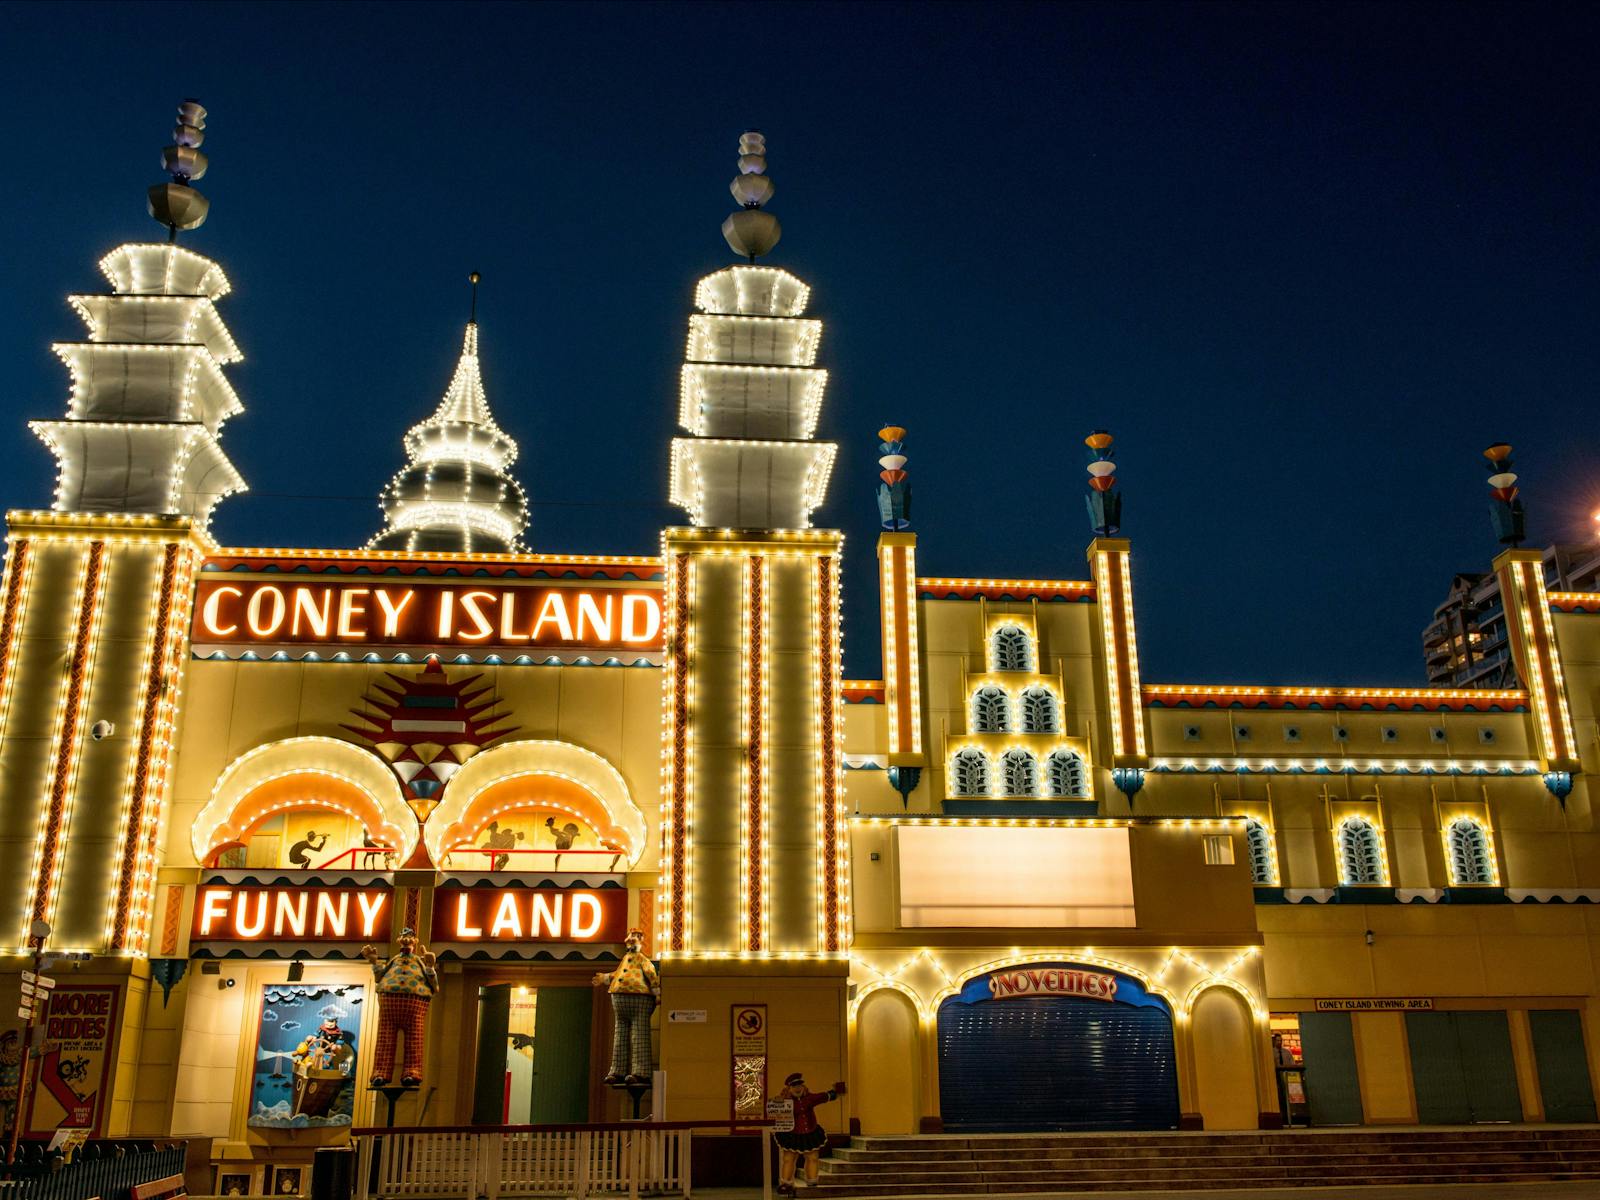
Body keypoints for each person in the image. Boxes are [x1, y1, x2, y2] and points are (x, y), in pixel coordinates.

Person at [361, 927, 438, 1087]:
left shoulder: (418, 961)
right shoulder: (394, 960)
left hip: (415, 1002)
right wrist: (374, 962)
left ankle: (412, 1072)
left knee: (415, 1038)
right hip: (390, 999)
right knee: (385, 1039)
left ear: (414, 941)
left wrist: (430, 966)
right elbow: (379, 977)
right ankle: (380, 1073)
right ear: (399, 940)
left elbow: (434, 985)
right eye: (403, 936)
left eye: (409, 936)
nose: (406, 939)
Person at [591, 928, 659, 1085]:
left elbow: (652, 975)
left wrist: (658, 994)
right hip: (620, 999)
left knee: (639, 1036)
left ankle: (641, 1072)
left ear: (641, 940)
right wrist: (605, 978)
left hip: (639, 998)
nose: (631, 939)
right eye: (630, 936)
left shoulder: (643, 960)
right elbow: (619, 974)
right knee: (619, 1036)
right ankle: (617, 1071)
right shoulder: (626, 959)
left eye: (635, 937)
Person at [774, 1073, 846, 1195]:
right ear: (789, 1089)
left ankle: (812, 1181)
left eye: (799, 1086)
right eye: (794, 1086)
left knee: (812, 1158)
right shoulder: (785, 1101)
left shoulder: (809, 1098)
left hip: (810, 1133)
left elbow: (822, 1096)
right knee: (788, 1159)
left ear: (803, 1087)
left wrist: (835, 1092)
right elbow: (775, 1111)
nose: (797, 1089)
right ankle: (786, 1183)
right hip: (791, 1134)